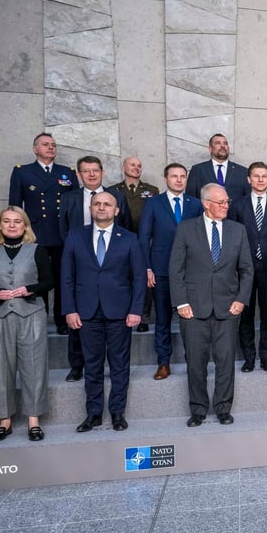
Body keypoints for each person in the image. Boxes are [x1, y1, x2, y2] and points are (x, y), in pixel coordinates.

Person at [170, 184, 254, 427]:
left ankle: (223, 408)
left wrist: (241, 300)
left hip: (228, 308)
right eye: (221, 202)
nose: (226, 206)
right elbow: (176, 269)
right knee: (195, 361)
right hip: (193, 309)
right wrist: (181, 302)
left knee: (225, 361)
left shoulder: (237, 230)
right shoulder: (186, 229)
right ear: (206, 203)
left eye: (227, 202)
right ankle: (198, 409)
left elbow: (247, 270)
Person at [61, 192, 146, 433]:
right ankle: (94, 414)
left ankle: (117, 413)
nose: (101, 208)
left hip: (120, 311)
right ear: (90, 208)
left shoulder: (129, 238)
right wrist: (69, 309)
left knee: (120, 364)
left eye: (107, 204)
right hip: (86, 312)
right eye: (97, 204)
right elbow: (67, 277)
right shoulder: (75, 236)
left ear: (116, 210)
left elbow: (139, 278)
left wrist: (136, 310)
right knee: (92, 365)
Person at [0, 207, 53, 442]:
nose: (12, 225)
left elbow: (49, 281)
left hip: (31, 315)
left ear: (25, 225)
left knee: (34, 367)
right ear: (0, 225)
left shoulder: (37, 251)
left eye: (17, 221)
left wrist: (30, 289)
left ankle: (33, 420)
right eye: (7, 221)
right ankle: (4, 421)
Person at [57, 156, 130, 383]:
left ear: (102, 173)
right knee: (79, 317)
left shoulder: (117, 196)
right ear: (78, 174)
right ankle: (77, 365)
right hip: (80, 263)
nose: (91, 175)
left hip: (110, 266)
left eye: (95, 170)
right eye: (86, 171)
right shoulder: (69, 198)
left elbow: (125, 228)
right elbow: (63, 230)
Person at [137, 163, 203, 379]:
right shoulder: (154, 203)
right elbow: (144, 237)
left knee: (191, 320)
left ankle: (193, 361)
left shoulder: (195, 204)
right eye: (174, 176)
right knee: (163, 318)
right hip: (161, 269)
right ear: (165, 179)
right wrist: (147, 267)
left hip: (190, 272)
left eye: (182, 176)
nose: (178, 180)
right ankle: (163, 362)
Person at [8, 132, 76, 334]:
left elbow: (75, 206)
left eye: (53, 145)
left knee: (63, 278)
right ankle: (39, 319)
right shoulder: (22, 172)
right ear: (35, 149)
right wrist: (17, 234)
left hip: (62, 234)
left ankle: (62, 321)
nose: (50, 148)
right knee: (38, 279)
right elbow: (14, 207)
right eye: (45, 144)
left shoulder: (67, 172)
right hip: (34, 235)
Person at [228, 161, 267, 373]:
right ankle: (248, 357)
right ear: (249, 179)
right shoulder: (237, 205)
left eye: (264, 176)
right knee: (245, 314)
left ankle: (265, 357)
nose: (260, 179)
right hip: (244, 267)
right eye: (256, 176)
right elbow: (231, 237)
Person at [110, 156, 159, 332]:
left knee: (144, 278)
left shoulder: (151, 190)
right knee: (122, 277)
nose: (136, 168)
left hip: (143, 240)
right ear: (123, 167)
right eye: (132, 165)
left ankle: (144, 317)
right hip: (119, 239)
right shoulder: (113, 190)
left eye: (139, 165)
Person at [185, 133, 249, 202]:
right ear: (210, 149)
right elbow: (190, 199)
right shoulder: (197, 170)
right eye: (218, 143)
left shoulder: (242, 171)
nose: (222, 146)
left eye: (225, 143)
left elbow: (248, 200)